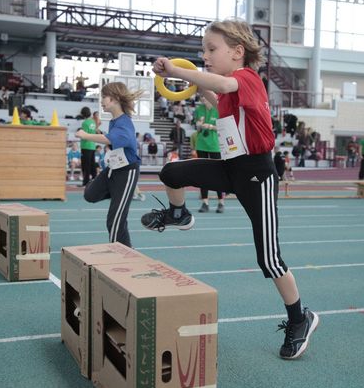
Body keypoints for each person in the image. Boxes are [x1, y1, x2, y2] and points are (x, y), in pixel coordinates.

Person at [140, 19, 318, 360]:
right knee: (171, 171)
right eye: (203, 50)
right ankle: (179, 212)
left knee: (269, 258)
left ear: (237, 52)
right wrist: (188, 82)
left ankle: (300, 318)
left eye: (211, 49)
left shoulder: (247, 79)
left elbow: (222, 85)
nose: (204, 55)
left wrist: (178, 70)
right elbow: (216, 96)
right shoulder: (230, 89)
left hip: (257, 175)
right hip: (230, 168)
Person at [75, 81, 143, 247]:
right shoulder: (115, 121)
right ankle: (118, 195)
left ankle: (122, 253)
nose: (102, 101)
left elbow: (118, 138)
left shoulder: (124, 122)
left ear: (114, 99)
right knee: (90, 194)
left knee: (115, 219)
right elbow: (112, 139)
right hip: (113, 168)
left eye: (104, 97)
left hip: (127, 172)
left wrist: (86, 135)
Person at [195, 96, 224, 213]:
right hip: (201, 144)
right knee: (203, 174)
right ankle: (204, 202)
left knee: (218, 173)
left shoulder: (219, 109)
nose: (203, 98)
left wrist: (210, 126)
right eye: (202, 97)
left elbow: (224, 128)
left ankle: (221, 202)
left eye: (205, 96)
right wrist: (199, 125)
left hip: (215, 146)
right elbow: (197, 129)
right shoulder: (199, 109)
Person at [79, 106, 97, 187]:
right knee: (92, 164)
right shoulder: (93, 122)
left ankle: (85, 182)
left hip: (86, 146)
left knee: (85, 165)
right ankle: (95, 181)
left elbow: (84, 135)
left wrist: (78, 134)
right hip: (92, 145)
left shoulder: (85, 123)